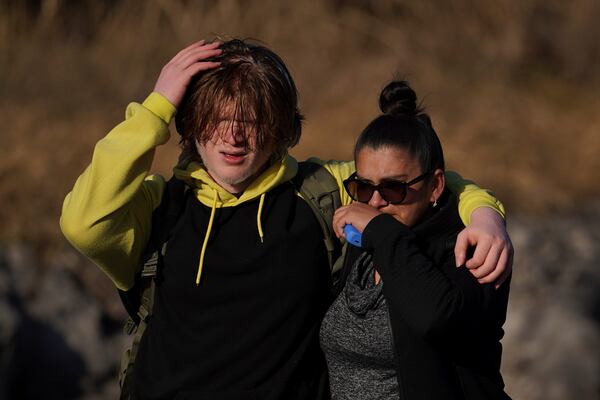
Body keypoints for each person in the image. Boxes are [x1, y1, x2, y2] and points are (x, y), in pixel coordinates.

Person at [60, 39, 512, 399]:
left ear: (279, 129)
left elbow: (412, 181)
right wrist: (157, 106)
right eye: (217, 119)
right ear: (192, 124)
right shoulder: (160, 207)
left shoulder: (319, 190)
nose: (234, 137)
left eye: (252, 120)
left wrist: (485, 214)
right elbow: (85, 223)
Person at [321, 81, 511, 399]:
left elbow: (437, 318)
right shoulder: (365, 244)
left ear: (435, 186)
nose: (376, 202)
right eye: (364, 187)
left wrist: (381, 231)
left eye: (393, 187)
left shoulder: (474, 245)